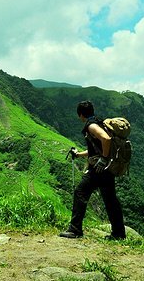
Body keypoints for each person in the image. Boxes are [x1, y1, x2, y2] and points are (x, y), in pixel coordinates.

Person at [59, 100, 126, 240]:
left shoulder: (91, 126)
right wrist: (78, 155)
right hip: (107, 169)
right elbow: (95, 149)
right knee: (111, 200)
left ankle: (75, 230)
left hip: (99, 168)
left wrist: (103, 159)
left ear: (81, 115)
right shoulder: (98, 122)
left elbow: (106, 139)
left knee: (80, 192)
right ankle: (119, 233)